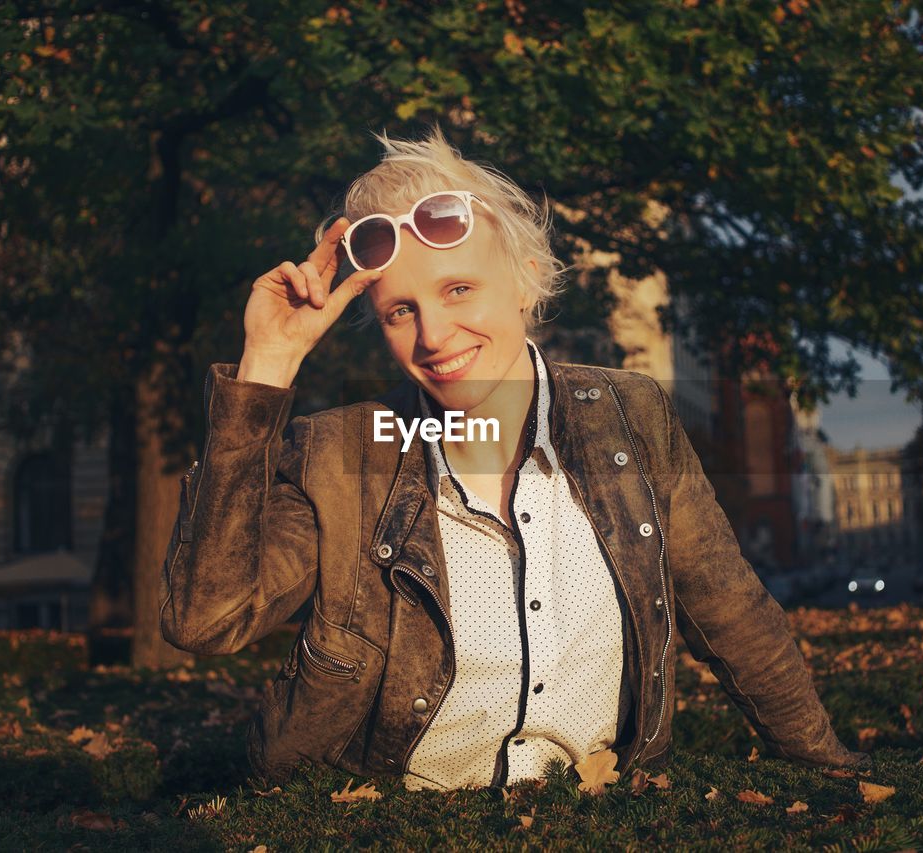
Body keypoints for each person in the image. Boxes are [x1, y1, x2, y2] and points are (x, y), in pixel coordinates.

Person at [159, 125, 867, 792]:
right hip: (388, 820)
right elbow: (207, 620)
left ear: (527, 278)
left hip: (595, 813)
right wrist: (266, 368)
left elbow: (735, 615)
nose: (434, 334)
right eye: (400, 311)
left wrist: (837, 776)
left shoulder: (634, 416)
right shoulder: (342, 453)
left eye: (458, 289)